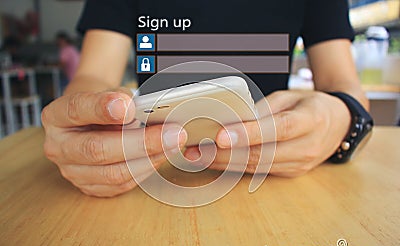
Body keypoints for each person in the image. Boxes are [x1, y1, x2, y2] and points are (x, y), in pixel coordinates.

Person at [42, 0, 371, 197]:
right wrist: (85, 124)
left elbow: (343, 84)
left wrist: (342, 116)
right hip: (155, 177)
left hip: (280, 180)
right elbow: (93, 77)